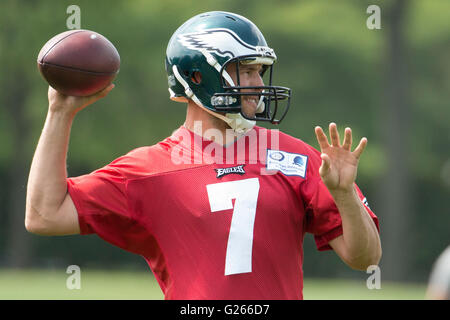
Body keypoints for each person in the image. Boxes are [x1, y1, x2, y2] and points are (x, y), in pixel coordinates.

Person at [25, 11, 381, 299]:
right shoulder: (149, 170)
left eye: (259, 70)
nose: (257, 84)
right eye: (246, 70)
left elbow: (365, 257)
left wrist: (345, 195)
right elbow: (43, 214)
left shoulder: (294, 156)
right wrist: (59, 114)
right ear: (198, 75)